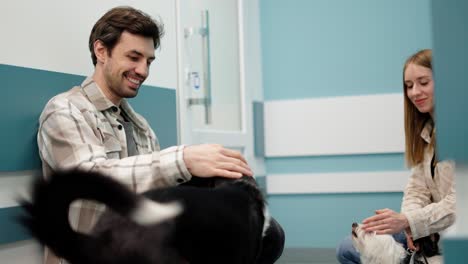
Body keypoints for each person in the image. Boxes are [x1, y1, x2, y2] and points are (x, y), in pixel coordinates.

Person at [37, 6, 283, 264]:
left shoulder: (140, 126)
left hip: (140, 251)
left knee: (267, 233)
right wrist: (183, 160)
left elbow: (151, 195)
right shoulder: (64, 111)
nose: (143, 70)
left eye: (148, 61)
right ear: (101, 51)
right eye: (134, 57)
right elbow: (89, 181)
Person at [336, 49, 456, 263]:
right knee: (347, 248)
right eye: (409, 86)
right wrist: (411, 228)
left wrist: (409, 220)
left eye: (423, 82)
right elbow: (417, 189)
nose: (415, 92)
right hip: (430, 227)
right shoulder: (427, 133)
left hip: (453, 227)